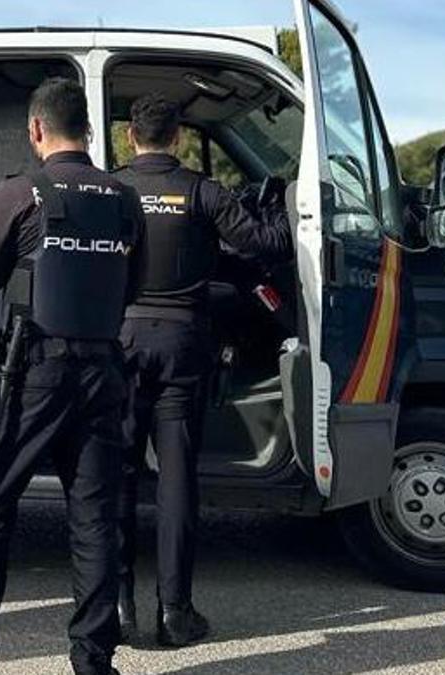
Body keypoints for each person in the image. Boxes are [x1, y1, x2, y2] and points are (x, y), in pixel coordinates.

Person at [0, 77, 145, 675]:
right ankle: (93, 661)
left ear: (35, 130)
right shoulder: (123, 197)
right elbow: (133, 287)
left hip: (32, 373)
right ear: (87, 130)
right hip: (103, 373)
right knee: (94, 520)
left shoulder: (21, 192)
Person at [112, 92, 293, 647]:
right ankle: (175, 612)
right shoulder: (203, 191)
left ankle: (118, 609)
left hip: (122, 343)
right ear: (180, 139)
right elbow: (270, 243)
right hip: (186, 344)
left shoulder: (111, 189)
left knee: (117, 475)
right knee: (176, 479)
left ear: (130, 138)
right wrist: (287, 197)